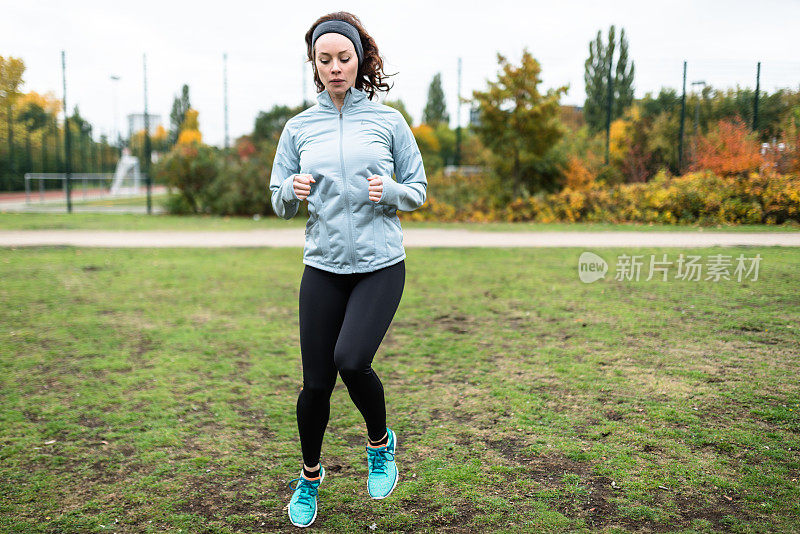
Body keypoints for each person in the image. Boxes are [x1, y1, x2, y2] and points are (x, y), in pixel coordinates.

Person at [268, 11, 428, 528]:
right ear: (314, 65)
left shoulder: (389, 121)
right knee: (316, 383)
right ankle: (309, 478)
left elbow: (419, 191)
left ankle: (381, 447)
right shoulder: (298, 128)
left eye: (344, 57)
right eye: (325, 59)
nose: (335, 67)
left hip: (381, 265)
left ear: (360, 60)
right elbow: (277, 200)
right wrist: (289, 194)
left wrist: (394, 193)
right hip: (323, 266)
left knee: (351, 360)